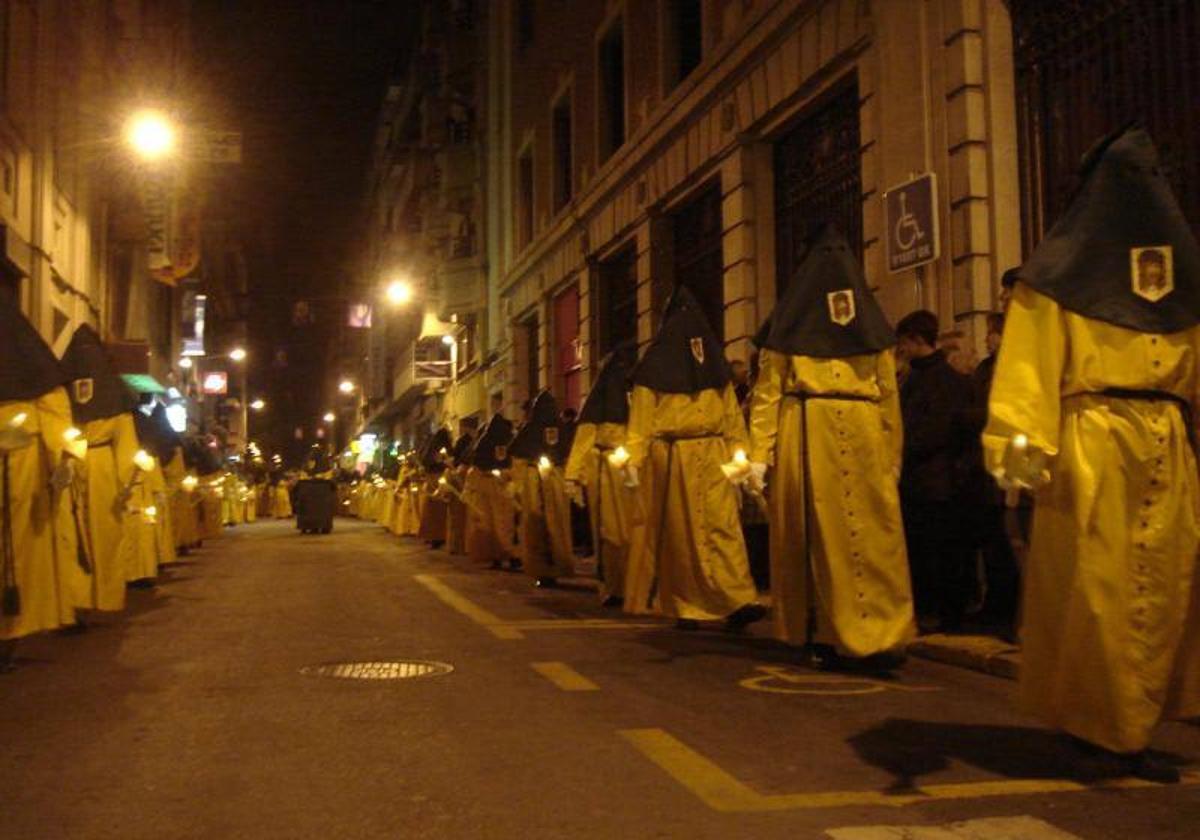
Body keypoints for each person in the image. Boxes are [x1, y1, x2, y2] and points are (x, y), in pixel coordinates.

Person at [984, 125, 1200, 783]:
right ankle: (1106, 726)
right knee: (1098, 591)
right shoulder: (1053, 283)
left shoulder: (1187, 285)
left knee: (1167, 589)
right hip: (1090, 442)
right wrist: (1020, 477)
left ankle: (1131, 720)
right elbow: (1026, 379)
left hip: (1166, 441)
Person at [749, 225, 914, 668]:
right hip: (828, 431)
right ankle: (827, 631)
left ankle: (875, 633)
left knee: (866, 537)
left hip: (818, 431)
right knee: (825, 536)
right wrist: (891, 450)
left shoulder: (791, 327)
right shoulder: (871, 327)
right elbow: (888, 399)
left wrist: (760, 455)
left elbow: (766, 394)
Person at [622, 285, 765, 631]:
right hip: (673, 459)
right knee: (681, 536)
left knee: (722, 529)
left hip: (713, 457)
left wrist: (744, 462)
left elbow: (731, 417)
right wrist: (634, 461)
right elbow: (640, 424)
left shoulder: (714, 372)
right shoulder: (653, 372)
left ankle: (735, 599)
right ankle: (684, 605)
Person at [0, 292, 87, 663]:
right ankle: (8, 628)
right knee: (14, 543)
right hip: (18, 462)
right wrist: (64, 460)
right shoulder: (35, 371)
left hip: (17, 461)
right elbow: (56, 416)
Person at [895, 309, 974, 632]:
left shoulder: (942, 380)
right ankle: (929, 610)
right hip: (920, 481)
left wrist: (901, 448)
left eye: (904, 343)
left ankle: (945, 616)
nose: (901, 350)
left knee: (942, 553)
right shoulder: (912, 378)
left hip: (936, 481)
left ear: (917, 340)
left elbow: (935, 430)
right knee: (923, 551)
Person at [61, 324, 144, 607]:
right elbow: (126, 444)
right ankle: (103, 594)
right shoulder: (115, 396)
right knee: (104, 533)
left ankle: (73, 599)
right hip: (103, 466)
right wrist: (126, 485)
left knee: (71, 533)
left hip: (71, 462)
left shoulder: (62, 388)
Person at [564, 348, 640, 606]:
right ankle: (614, 585)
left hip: (634, 471)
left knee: (636, 529)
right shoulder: (598, 406)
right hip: (608, 473)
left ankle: (636, 584)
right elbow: (584, 441)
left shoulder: (637, 397)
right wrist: (574, 476)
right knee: (611, 531)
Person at [964, 311, 1019, 637]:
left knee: (1012, 541)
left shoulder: (1013, 366)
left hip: (1009, 465)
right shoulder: (986, 369)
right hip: (983, 467)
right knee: (992, 543)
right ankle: (995, 606)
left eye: (992, 333)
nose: (988, 339)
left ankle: (1011, 611)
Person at [509, 390, 574, 587]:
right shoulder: (546, 429)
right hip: (541, 480)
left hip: (548, 480)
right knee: (541, 521)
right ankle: (544, 568)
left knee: (549, 522)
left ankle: (553, 566)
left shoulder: (536, 429)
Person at [462, 393, 516, 568]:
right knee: (502, 522)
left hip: (490, 487)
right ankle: (503, 552)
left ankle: (499, 554)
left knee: (493, 522)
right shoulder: (506, 442)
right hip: (499, 487)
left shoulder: (484, 443)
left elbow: (474, 465)